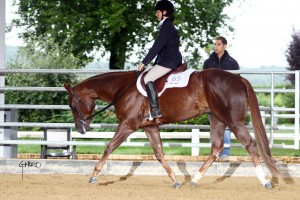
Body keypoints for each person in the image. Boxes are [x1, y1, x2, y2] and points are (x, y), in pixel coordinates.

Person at [137, 0, 182, 120]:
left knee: (147, 78)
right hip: (168, 59)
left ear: (164, 12)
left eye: (157, 12)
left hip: (169, 61)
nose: (156, 14)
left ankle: (155, 110)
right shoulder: (167, 26)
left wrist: (144, 62)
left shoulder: (167, 26)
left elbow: (158, 46)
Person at [203, 36, 239, 162]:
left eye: (218, 44)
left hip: (226, 100)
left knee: (227, 126)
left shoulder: (232, 63)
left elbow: (236, 83)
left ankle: (225, 154)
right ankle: (215, 153)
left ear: (225, 45)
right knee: (214, 127)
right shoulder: (208, 63)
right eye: (215, 44)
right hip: (212, 101)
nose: (215, 46)